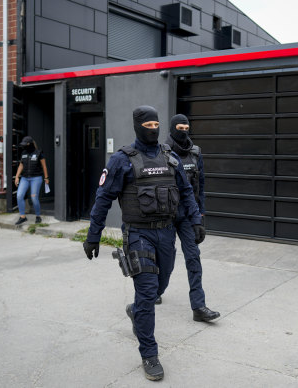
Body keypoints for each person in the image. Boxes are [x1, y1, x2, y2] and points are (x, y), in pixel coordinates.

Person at [83, 106, 205, 381]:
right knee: (148, 289)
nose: (153, 128)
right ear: (137, 126)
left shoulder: (169, 156)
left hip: (166, 233)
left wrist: (196, 220)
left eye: (156, 123)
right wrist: (93, 235)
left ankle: (136, 311)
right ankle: (149, 353)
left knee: (159, 286)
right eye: (147, 124)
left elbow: (186, 191)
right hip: (138, 233)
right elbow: (103, 198)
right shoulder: (121, 160)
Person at [165, 114, 220, 322]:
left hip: (189, 215)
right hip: (168, 215)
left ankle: (199, 307)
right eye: (179, 127)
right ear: (172, 129)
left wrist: (201, 215)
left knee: (193, 258)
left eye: (186, 127)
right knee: (166, 258)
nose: (183, 131)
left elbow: (201, 186)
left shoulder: (195, 153)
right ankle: (156, 291)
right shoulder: (163, 152)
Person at [14, 136, 49, 225]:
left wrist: (46, 177)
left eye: (25, 144)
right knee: (19, 196)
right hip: (25, 178)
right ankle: (22, 217)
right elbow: (21, 165)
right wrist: (17, 176)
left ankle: (38, 216)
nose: (23, 146)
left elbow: (44, 166)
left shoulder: (39, 152)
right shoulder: (24, 153)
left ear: (29, 144)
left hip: (36, 178)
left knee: (34, 197)